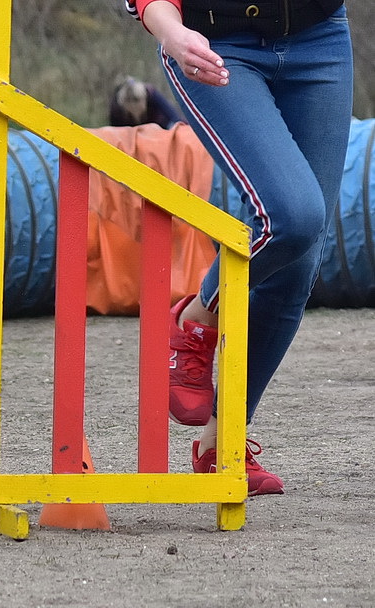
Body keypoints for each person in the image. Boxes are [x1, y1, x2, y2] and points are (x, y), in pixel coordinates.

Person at [125, 0, 352, 496]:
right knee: (293, 217)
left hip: (320, 40)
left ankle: (221, 444)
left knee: (298, 268)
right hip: (214, 46)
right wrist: (169, 31)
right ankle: (197, 316)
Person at [109, 75, 184, 128]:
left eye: (137, 101)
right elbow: (114, 131)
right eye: (129, 102)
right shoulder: (116, 109)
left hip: (159, 128)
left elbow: (174, 116)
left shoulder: (152, 95)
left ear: (144, 98)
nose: (134, 106)